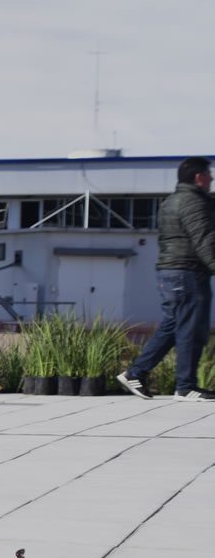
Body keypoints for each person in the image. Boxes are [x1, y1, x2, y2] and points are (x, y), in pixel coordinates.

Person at [119, 156, 215, 400]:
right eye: (209, 174)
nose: (212, 178)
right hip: (188, 273)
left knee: (173, 326)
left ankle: (135, 374)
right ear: (199, 177)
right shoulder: (193, 202)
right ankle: (186, 387)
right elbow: (204, 239)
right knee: (190, 331)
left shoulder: (173, 200)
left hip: (171, 273)